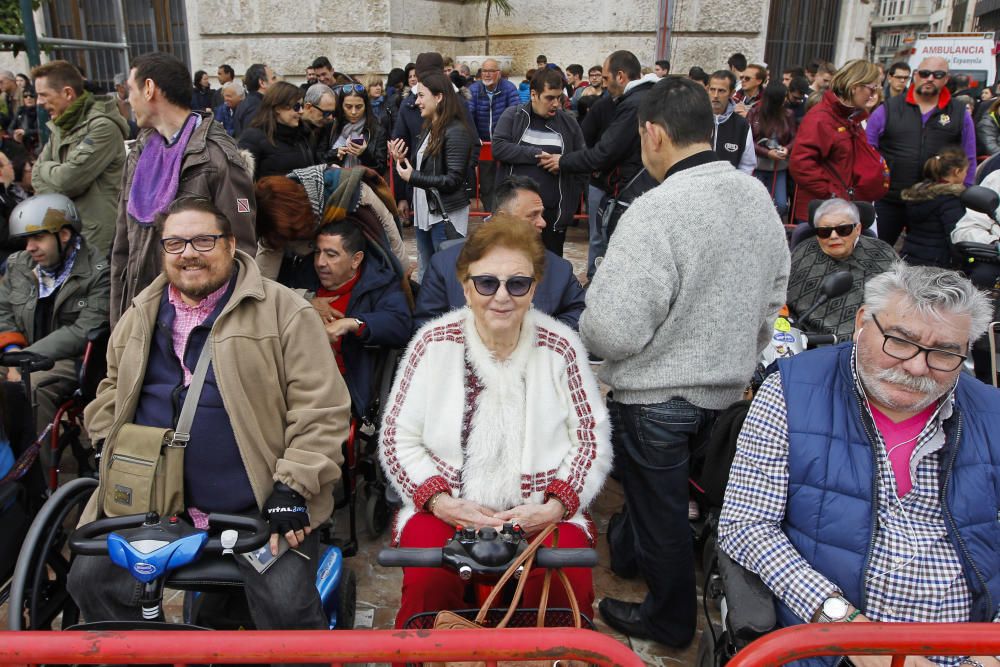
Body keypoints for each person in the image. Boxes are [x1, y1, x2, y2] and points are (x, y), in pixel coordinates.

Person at [68, 196, 350, 632]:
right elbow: (110, 388)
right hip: (152, 505)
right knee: (90, 580)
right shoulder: (140, 314)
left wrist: (292, 486)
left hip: (255, 507)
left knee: (286, 606)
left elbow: (322, 407)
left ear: (231, 244)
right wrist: (110, 445)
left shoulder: (283, 310)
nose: (189, 254)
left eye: (203, 240)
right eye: (175, 244)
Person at [579, 76, 789, 648]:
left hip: (656, 398)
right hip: (727, 390)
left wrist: (591, 315)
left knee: (663, 514)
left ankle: (669, 621)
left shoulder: (655, 210)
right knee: (669, 505)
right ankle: (636, 566)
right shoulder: (754, 195)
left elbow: (613, 331)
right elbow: (775, 293)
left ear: (652, 133)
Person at [718, 262, 1000, 667]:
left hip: (970, 646)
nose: (917, 367)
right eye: (900, 342)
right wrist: (847, 627)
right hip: (826, 644)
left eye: (944, 353)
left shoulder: (992, 413)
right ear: (863, 321)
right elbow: (746, 524)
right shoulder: (792, 390)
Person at [380, 216, 612, 629]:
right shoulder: (432, 344)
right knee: (429, 585)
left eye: (517, 284)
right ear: (467, 287)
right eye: (487, 283)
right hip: (444, 506)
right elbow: (399, 438)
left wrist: (555, 505)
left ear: (534, 289)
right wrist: (440, 501)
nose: (501, 296)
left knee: (564, 582)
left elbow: (590, 439)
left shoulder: (561, 348)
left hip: (542, 509)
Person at [111, 51, 257, 326]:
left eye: (131, 90)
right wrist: (120, 326)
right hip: (142, 314)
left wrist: (223, 330)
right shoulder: (140, 153)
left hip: (197, 322)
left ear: (150, 89)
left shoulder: (217, 158)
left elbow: (241, 252)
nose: (127, 100)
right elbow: (122, 246)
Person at [0, 194, 110, 439]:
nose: (30, 247)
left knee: (32, 387)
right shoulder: (19, 264)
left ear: (64, 235)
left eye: (38, 237)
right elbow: (2, 310)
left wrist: (23, 361)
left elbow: (85, 328)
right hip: (18, 354)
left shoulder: (98, 271)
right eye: (27, 239)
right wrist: (13, 351)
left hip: (70, 361)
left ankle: (33, 473)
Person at [413, 175, 586, 330]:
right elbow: (426, 326)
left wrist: (539, 337)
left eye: (541, 215)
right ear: (503, 217)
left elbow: (580, 312)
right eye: (532, 215)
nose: (542, 223)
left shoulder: (559, 270)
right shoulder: (444, 265)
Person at [541, 50, 658, 246]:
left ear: (620, 76)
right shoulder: (643, 98)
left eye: (605, 77)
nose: (603, 83)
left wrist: (562, 161)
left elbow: (605, 152)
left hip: (631, 191)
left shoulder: (634, 104)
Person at [306, 220, 411, 417]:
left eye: (331, 254)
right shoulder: (303, 279)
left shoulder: (379, 285)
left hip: (344, 386)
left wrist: (353, 323)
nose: (320, 262)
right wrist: (305, 301)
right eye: (317, 252)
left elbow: (400, 324)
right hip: (297, 377)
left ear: (356, 260)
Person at [867, 57, 975, 245]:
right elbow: (868, 150)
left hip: (936, 201)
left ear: (946, 79)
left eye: (938, 74)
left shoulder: (959, 112)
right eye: (925, 73)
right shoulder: (889, 109)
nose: (930, 78)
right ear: (916, 75)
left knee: (927, 262)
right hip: (890, 198)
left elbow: (969, 155)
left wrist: (964, 192)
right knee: (876, 253)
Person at [30, 60, 128, 256]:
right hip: (67, 231)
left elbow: (68, 181)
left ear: (67, 93)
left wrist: (46, 169)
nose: (38, 102)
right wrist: (53, 175)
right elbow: (35, 176)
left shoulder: (102, 127)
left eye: (43, 95)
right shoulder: (60, 125)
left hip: (98, 240)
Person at [492, 67, 587, 256]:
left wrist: (563, 163)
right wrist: (535, 154)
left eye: (559, 98)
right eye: (549, 98)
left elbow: (582, 160)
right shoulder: (514, 115)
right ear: (534, 95)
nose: (556, 104)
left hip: (552, 215)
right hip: (516, 213)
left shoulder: (569, 123)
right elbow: (499, 147)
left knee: (549, 271)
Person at [388, 72, 474, 274]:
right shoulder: (430, 127)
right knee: (427, 272)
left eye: (421, 96)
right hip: (425, 213)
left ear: (439, 97)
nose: (416, 101)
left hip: (444, 216)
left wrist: (413, 177)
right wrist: (401, 161)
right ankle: (427, 307)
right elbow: (424, 168)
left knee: (445, 274)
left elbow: (453, 180)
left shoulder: (456, 131)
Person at [789, 59, 888, 226]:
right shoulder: (822, 118)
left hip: (841, 211)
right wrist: (834, 196)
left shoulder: (849, 117)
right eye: (872, 88)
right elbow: (801, 164)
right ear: (855, 85)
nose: (873, 95)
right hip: (824, 215)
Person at [786, 198, 897, 336]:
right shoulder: (803, 254)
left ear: (858, 229)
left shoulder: (883, 253)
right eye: (824, 231)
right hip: (810, 341)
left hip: (872, 339)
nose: (833, 236)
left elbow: (900, 297)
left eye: (843, 230)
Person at [466, 57, 520, 210]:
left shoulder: (509, 88)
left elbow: (514, 114)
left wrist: (507, 138)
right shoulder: (474, 89)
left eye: (491, 71)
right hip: (483, 144)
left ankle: (504, 213)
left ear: (499, 73)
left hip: (504, 143)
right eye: (484, 71)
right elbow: (469, 115)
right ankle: (490, 213)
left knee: (506, 181)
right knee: (486, 182)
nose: (487, 74)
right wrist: (475, 137)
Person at [899, 147, 967, 268]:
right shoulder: (951, 200)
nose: (966, 175)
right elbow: (954, 236)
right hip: (938, 262)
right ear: (957, 172)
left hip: (910, 256)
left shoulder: (917, 195)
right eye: (965, 171)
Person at [238, 81, 316, 181]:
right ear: (278, 108)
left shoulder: (303, 134)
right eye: (296, 107)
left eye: (302, 106)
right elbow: (240, 183)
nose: (301, 111)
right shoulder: (253, 137)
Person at [748, 81, 796, 218]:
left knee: (781, 204)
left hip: (779, 167)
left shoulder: (788, 114)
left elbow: (794, 137)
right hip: (758, 165)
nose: (786, 100)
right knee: (756, 203)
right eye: (784, 97)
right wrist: (767, 153)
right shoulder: (754, 113)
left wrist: (786, 149)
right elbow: (748, 141)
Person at [330, 83, 387, 174]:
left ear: (366, 106)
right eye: (348, 107)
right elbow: (319, 159)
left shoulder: (377, 130)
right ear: (341, 106)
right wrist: (335, 153)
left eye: (359, 107)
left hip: (365, 185)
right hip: (336, 183)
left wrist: (364, 154)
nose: (353, 112)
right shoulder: (332, 126)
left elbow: (381, 169)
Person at [708, 70, 756, 174]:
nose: (715, 95)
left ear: (732, 93)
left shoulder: (741, 125)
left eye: (721, 91)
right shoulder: (694, 120)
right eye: (712, 89)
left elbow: (747, 165)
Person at [233, 63, 275, 138]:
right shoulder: (257, 106)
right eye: (273, 78)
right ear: (262, 83)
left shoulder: (249, 102)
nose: (276, 83)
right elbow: (252, 140)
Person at [300, 83, 337, 159]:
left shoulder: (325, 127)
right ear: (308, 107)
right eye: (326, 113)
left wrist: (333, 154)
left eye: (333, 113)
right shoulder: (292, 129)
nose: (330, 117)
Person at [8, 87, 39, 156]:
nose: (28, 98)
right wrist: (15, 134)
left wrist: (26, 132)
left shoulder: (41, 112)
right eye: (25, 96)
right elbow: (10, 128)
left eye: (32, 96)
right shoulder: (20, 110)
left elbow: (43, 130)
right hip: (22, 144)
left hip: (37, 145)